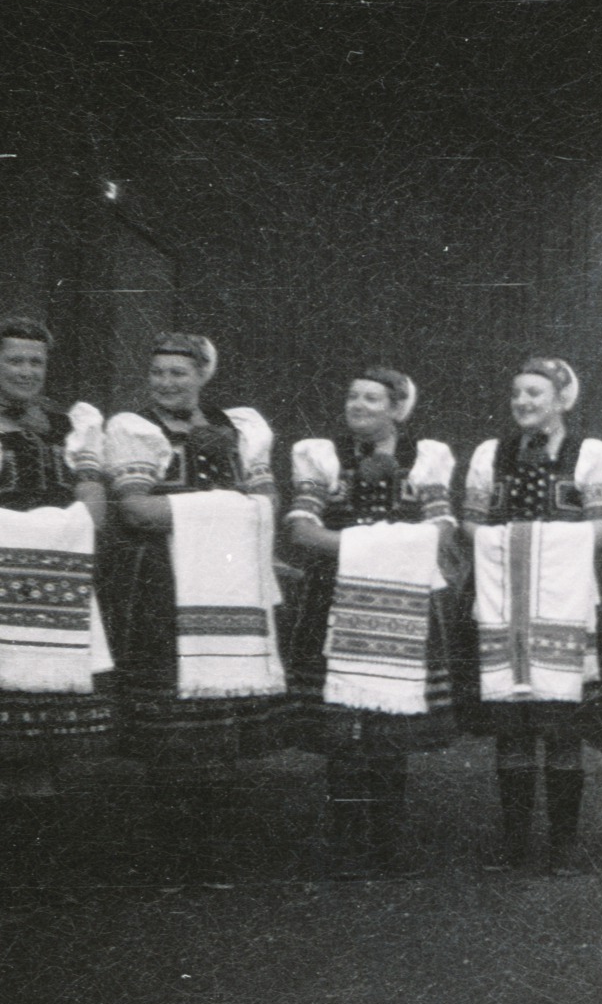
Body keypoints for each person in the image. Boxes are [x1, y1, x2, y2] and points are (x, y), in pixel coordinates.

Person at [103, 332, 287, 885]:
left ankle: (216, 850)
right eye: (157, 372)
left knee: (219, 720)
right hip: (165, 587)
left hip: (229, 588)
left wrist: (214, 510)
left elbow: (270, 506)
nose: (165, 382)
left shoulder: (238, 430)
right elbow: (136, 511)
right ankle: (171, 854)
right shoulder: (133, 429)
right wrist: (230, 507)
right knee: (173, 721)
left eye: (178, 373)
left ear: (201, 376)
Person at [285, 368, 459, 878]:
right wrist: (380, 549)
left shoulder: (424, 461)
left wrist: (362, 548)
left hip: (401, 607)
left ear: (396, 409)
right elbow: (300, 529)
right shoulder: (323, 458)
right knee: (343, 727)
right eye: (352, 394)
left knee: (388, 723)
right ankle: (345, 841)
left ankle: (386, 842)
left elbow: (442, 530)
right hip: (336, 603)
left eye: (371, 398)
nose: (357, 404)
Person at [462, 357, 602, 875]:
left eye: (534, 393)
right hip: (504, 600)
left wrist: (540, 545)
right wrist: (511, 545)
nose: (523, 402)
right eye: (516, 394)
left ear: (560, 400)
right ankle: (514, 840)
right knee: (512, 724)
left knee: (561, 724)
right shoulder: (492, 454)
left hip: (564, 602)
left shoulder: (588, 454)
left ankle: (564, 841)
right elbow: (472, 524)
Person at [0, 317, 115, 882]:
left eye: (35, 362)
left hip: (50, 592)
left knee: (38, 739)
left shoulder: (68, 426)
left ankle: (38, 871)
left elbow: (92, 505)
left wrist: (57, 529)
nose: (25, 371)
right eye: (15, 360)